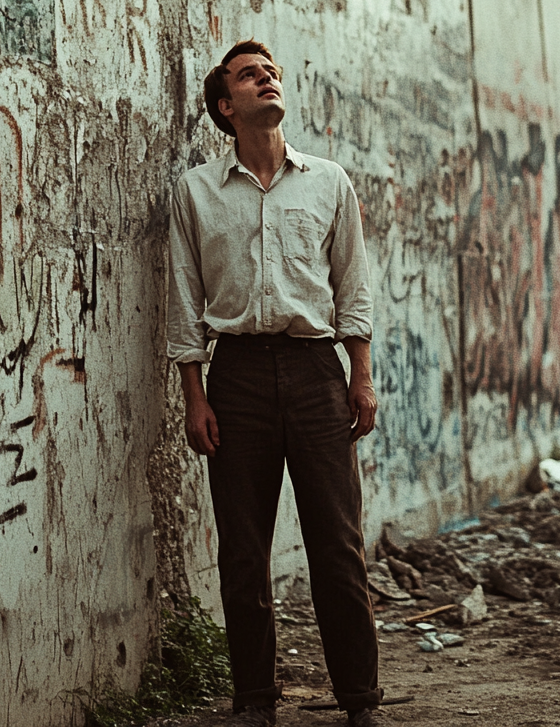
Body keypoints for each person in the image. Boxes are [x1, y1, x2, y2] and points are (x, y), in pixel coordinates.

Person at [166, 40, 385, 727]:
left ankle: (360, 702)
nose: (266, 79)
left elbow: (352, 284)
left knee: (337, 546)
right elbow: (182, 297)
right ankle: (255, 700)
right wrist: (193, 395)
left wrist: (362, 376)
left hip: (317, 371)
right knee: (242, 551)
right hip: (237, 380)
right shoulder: (197, 191)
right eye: (248, 76)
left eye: (272, 73)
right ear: (226, 107)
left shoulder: (329, 182)